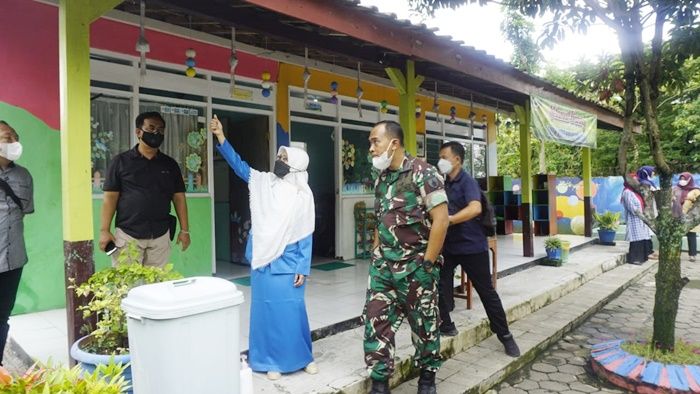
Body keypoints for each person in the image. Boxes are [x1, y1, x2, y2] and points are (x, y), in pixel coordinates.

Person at [209, 114, 318, 380]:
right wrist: (221, 138)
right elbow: (239, 166)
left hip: (291, 264)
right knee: (267, 312)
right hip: (264, 262)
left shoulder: (303, 196)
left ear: (296, 165)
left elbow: (306, 234)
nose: (278, 162)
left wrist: (303, 266)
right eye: (278, 158)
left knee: (293, 313)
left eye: (284, 159)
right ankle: (270, 360)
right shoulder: (263, 183)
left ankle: (302, 357)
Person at [363, 120, 449, 394]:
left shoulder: (423, 172)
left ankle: (427, 378)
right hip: (384, 268)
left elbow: (441, 220)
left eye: (375, 141)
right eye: (371, 143)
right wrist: (376, 253)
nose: (372, 148)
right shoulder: (381, 177)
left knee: (424, 324)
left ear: (394, 143)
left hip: (416, 267)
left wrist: (427, 263)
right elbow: (381, 219)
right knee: (376, 322)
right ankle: (379, 382)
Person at [435, 142, 520, 358]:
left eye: (444, 157)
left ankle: (506, 336)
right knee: (438, 281)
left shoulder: (468, 182)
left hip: (472, 247)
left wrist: (450, 219)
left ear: (457, 160)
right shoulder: (444, 184)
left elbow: (475, 208)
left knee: (486, 292)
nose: (440, 161)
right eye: (440, 157)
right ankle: (445, 323)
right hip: (450, 246)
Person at [99, 112, 190, 267]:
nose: (156, 133)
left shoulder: (170, 165)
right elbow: (110, 198)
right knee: (127, 286)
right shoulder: (120, 162)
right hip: (128, 235)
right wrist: (104, 231)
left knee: (156, 286)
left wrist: (185, 231)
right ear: (138, 132)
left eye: (160, 130)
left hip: (160, 235)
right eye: (151, 128)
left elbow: (179, 198)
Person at [0, 121, 34, 366]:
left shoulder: (24, 175)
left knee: (2, 316)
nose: (12, 142)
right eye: (6, 137)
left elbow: (25, 210)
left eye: (14, 136)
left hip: (13, 258)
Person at [621, 166, 656, 265]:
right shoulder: (627, 192)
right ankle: (634, 258)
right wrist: (640, 214)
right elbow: (631, 207)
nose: (637, 182)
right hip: (634, 218)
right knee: (636, 239)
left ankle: (643, 257)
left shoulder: (636, 192)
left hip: (641, 218)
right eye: (634, 180)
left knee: (642, 237)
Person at [674, 172, 699, 262]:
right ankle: (677, 253)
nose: (682, 181)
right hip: (677, 215)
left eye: (684, 179)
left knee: (691, 235)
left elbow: (698, 203)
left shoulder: (695, 191)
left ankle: (692, 255)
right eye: (681, 179)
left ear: (689, 180)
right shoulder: (676, 188)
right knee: (677, 235)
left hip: (690, 216)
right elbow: (671, 198)